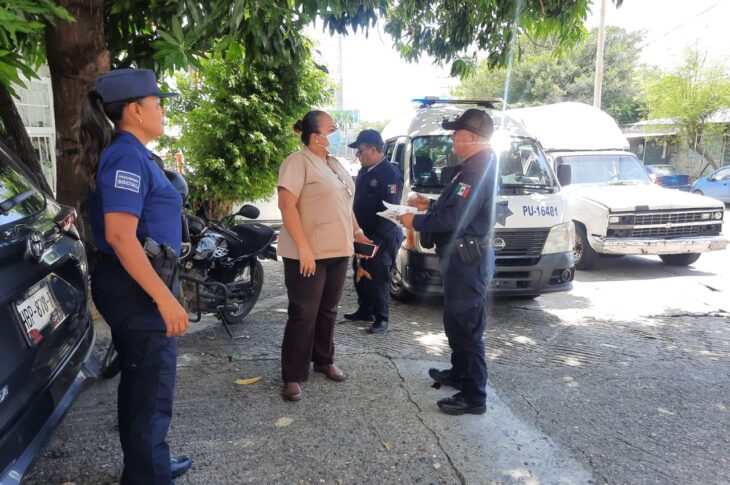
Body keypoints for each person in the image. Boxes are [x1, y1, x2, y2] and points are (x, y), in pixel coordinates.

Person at [79, 68, 192, 483]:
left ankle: (149, 463)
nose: (162, 112)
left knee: (142, 386)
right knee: (151, 391)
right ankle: (149, 474)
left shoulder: (134, 153)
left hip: (139, 284)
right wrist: (165, 299)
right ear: (135, 110)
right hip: (139, 291)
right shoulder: (126, 156)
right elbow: (120, 237)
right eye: (157, 104)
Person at [399, 109, 498, 416]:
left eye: (457, 134)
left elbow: (456, 217)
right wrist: (429, 204)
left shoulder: (478, 169)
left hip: (468, 262)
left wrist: (414, 221)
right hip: (460, 260)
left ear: (472, 137)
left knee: (467, 327)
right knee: (456, 321)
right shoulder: (471, 167)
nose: (453, 139)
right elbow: (456, 205)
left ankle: (474, 396)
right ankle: (460, 373)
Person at [277, 110, 372, 401]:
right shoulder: (298, 162)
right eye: (332, 128)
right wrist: (303, 246)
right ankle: (292, 375)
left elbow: (345, 204)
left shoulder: (334, 164)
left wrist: (357, 233)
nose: (337, 132)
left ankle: (323, 359)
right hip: (308, 253)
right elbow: (286, 205)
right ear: (316, 137)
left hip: (338, 249)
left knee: (328, 310)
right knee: (303, 313)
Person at [343, 130, 404, 334]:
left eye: (360, 151)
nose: (358, 155)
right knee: (360, 270)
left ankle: (381, 317)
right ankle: (365, 309)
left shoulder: (390, 174)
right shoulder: (365, 171)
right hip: (363, 234)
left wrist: (376, 241)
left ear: (373, 149)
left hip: (383, 236)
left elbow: (392, 213)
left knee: (378, 275)